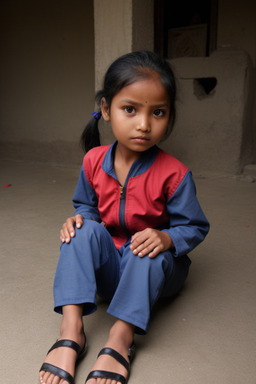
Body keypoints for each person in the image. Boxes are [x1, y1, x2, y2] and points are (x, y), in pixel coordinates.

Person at [39, 50, 209, 384]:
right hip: (111, 269)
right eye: (130, 109)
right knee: (81, 231)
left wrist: (167, 237)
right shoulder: (93, 161)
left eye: (158, 112)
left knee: (146, 248)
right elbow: (86, 206)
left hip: (154, 271)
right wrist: (80, 219)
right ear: (106, 109)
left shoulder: (174, 174)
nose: (144, 124)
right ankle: (71, 331)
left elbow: (195, 226)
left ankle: (121, 337)